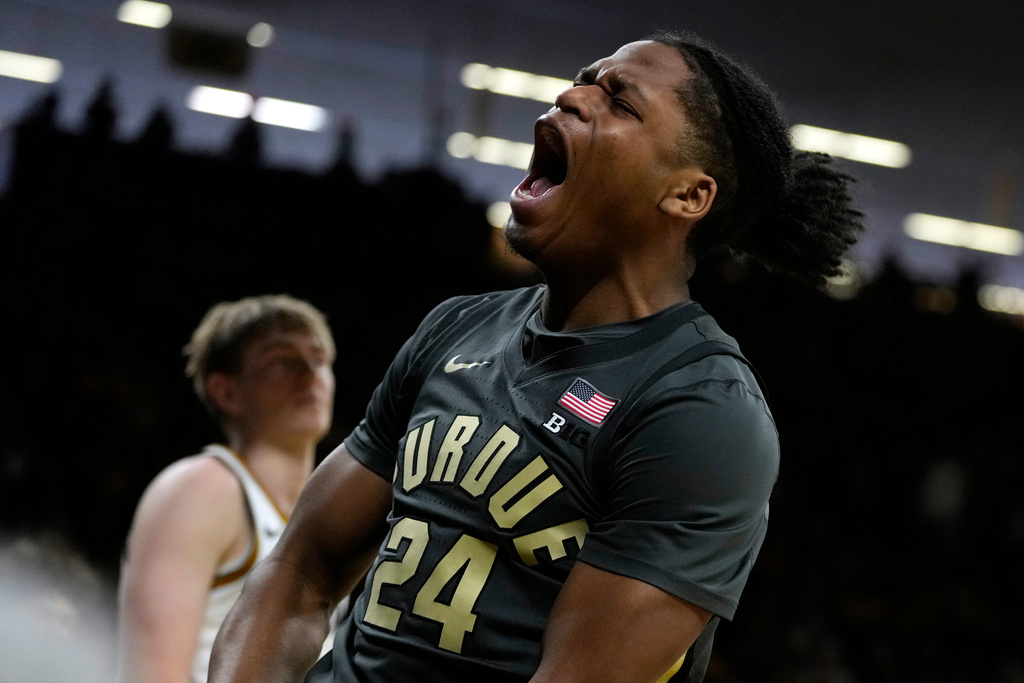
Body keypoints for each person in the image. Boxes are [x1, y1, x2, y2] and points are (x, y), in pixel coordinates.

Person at [209, 30, 862, 683]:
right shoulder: (455, 327)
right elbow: (300, 571)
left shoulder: (699, 410)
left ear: (687, 195)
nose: (571, 97)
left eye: (619, 102)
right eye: (584, 78)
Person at [117, 294, 338, 683]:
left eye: (319, 358)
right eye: (281, 361)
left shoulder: (332, 503)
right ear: (227, 392)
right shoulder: (200, 488)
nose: (309, 372)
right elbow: (151, 674)